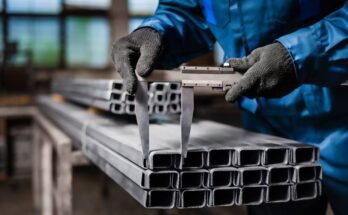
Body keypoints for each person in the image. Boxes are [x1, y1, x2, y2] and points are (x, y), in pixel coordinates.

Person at [111, 1, 348, 214]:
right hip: (267, 131)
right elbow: (188, 11)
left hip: (341, 115)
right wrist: (156, 32)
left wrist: (298, 55)